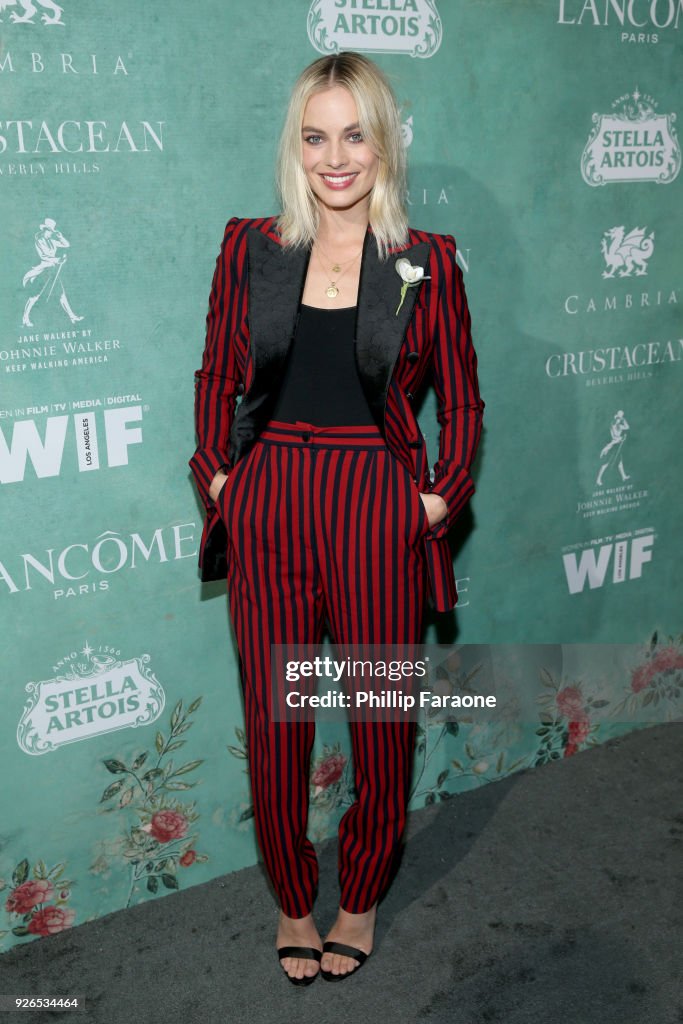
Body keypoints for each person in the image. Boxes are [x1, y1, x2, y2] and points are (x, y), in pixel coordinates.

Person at [189, 51, 485, 986]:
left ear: (383, 141)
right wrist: (220, 479)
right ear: (296, 146)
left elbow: (467, 402)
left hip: (374, 504)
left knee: (378, 719)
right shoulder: (251, 247)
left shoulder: (425, 261)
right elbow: (217, 376)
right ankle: (290, 900)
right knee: (276, 722)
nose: (335, 156)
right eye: (315, 136)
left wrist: (436, 496)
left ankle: (357, 898)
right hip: (270, 497)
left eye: (354, 133)